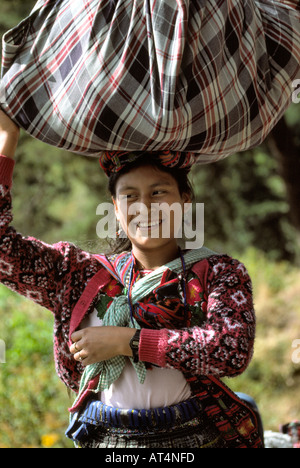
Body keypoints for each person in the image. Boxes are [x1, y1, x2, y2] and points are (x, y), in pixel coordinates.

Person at [0, 110, 262, 448]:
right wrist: (7, 140)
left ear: (184, 201)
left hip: (195, 439)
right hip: (107, 440)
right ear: (115, 208)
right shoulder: (78, 274)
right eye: (130, 196)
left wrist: (128, 341)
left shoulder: (218, 274)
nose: (145, 208)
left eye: (158, 193)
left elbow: (229, 349)